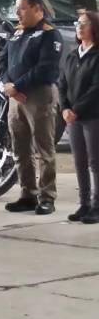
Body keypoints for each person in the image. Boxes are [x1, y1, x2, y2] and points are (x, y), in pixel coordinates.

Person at [0, 0, 63, 215]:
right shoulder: (16, 33)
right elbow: (3, 60)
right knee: (20, 148)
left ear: (37, 8)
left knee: (44, 149)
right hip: (16, 98)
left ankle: (47, 197)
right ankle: (28, 194)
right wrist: (8, 85)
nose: (18, 14)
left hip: (38, 96)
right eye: (16, 10)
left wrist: (17, 86)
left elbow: (45, 68)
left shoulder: (49, 34)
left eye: (21, 9)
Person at [59, 11, 99, 223]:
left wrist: (77, 110)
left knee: (95, 162)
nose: (79, 27)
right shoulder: (73, 55)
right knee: (79, 161)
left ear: (94, 27)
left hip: (92, 116)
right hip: (72, 118)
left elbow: (96, 88)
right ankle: (83, 204)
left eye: (84, 24)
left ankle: (96, 206)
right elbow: (62, 83)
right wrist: (65, 108)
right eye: (77, 24)